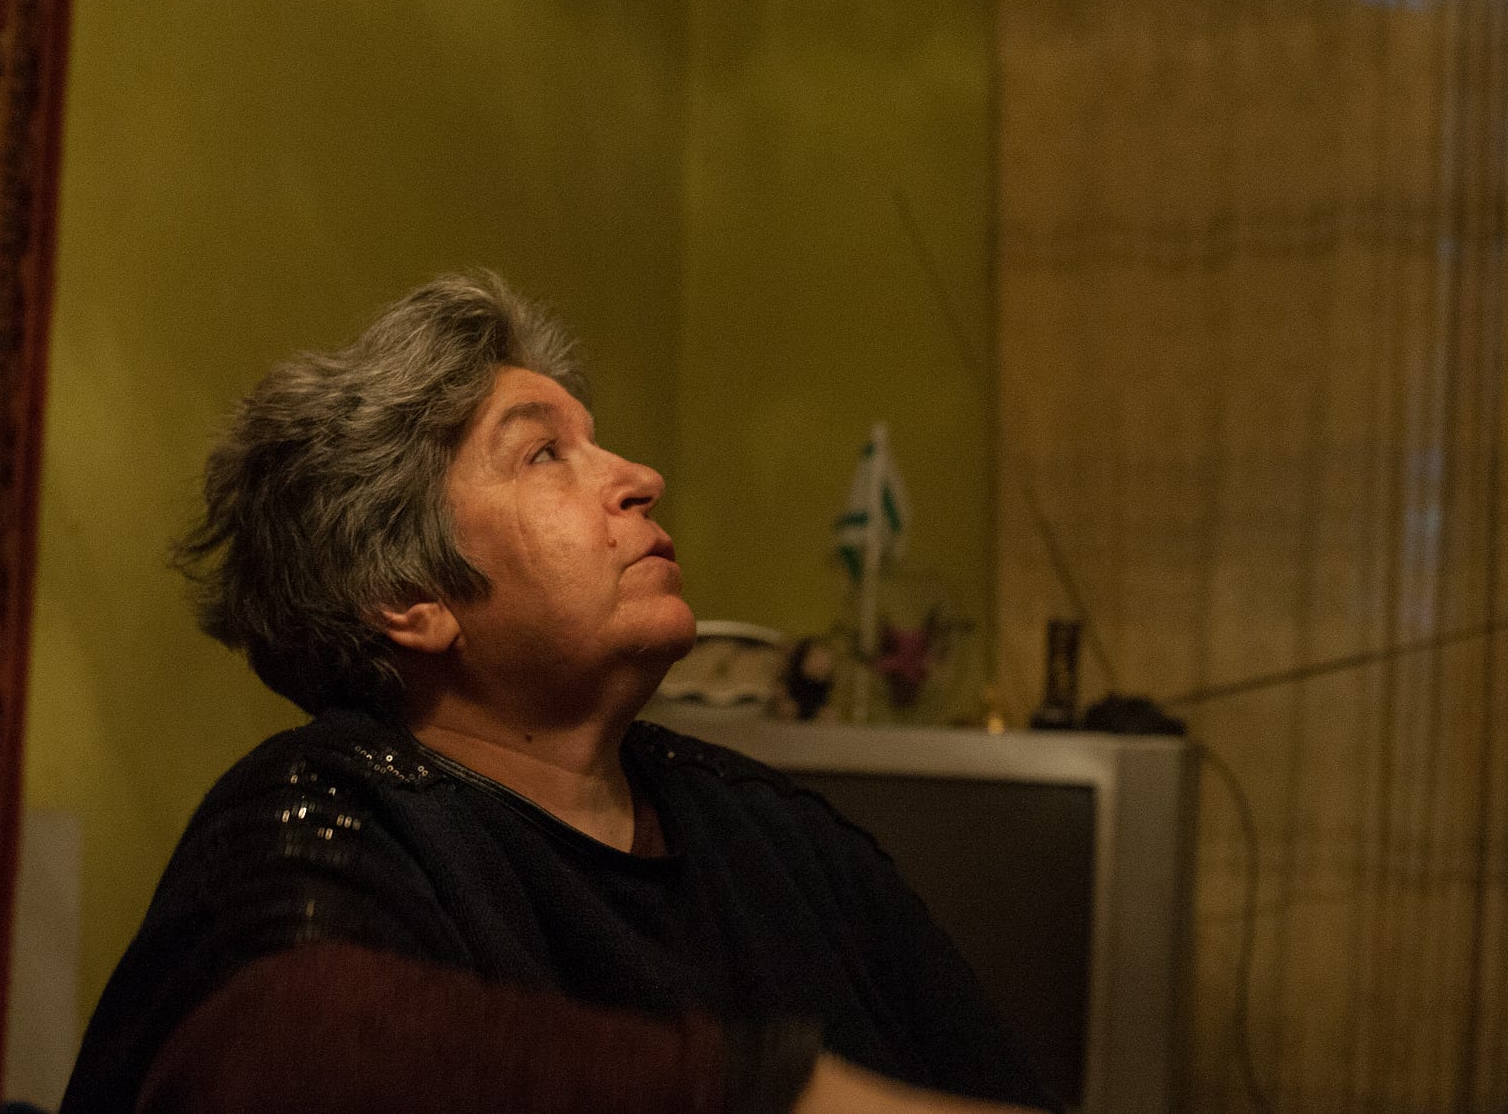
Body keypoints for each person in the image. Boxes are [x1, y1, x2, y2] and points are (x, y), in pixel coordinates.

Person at [59, 273, 1058, 1114]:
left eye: (598, 443)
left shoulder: (785, 839)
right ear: (407, 593)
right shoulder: (320, 811)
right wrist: (780, 1094)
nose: (641, 476)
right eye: (543, 452)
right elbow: (283, 1044)